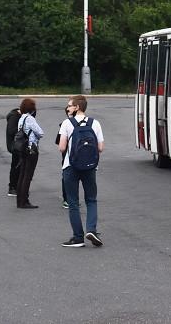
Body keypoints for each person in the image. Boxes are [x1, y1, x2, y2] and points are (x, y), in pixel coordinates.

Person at [58, 95, 105, 248]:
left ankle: (78, 238)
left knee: (73, 202)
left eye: (70, 105)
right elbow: (100, 148)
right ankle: (91, 229)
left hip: (70, 167)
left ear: (77, 107)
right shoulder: (95, 123)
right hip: (90, 166)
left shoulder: (66, 123)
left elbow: (62, 147)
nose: (68, 108)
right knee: (91, 200)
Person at [16, 98, 44, 209]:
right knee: (28, 176)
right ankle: (24, 201)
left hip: (22, 148)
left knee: (22, 174)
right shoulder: (30, 119)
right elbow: (40, 133)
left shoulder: (21, 118)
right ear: (32, 108)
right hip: (31, 148)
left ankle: (19, 201)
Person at [55, 104, 74, 209]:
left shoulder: (64, 124)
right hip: (73, 155)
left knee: (67, 177)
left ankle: (67, 199)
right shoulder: (65, 124)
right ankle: (68, 199)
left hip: (67, 155)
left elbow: (58, 142)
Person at [5, 106, 22, 197]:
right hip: (15, 145)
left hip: (18, 145)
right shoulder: (14, 117)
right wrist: (23, 129)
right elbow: (12, 131)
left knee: (19, 166)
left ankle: (17, 186)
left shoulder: (19, 116)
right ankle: (12, 187)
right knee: (16, 166)